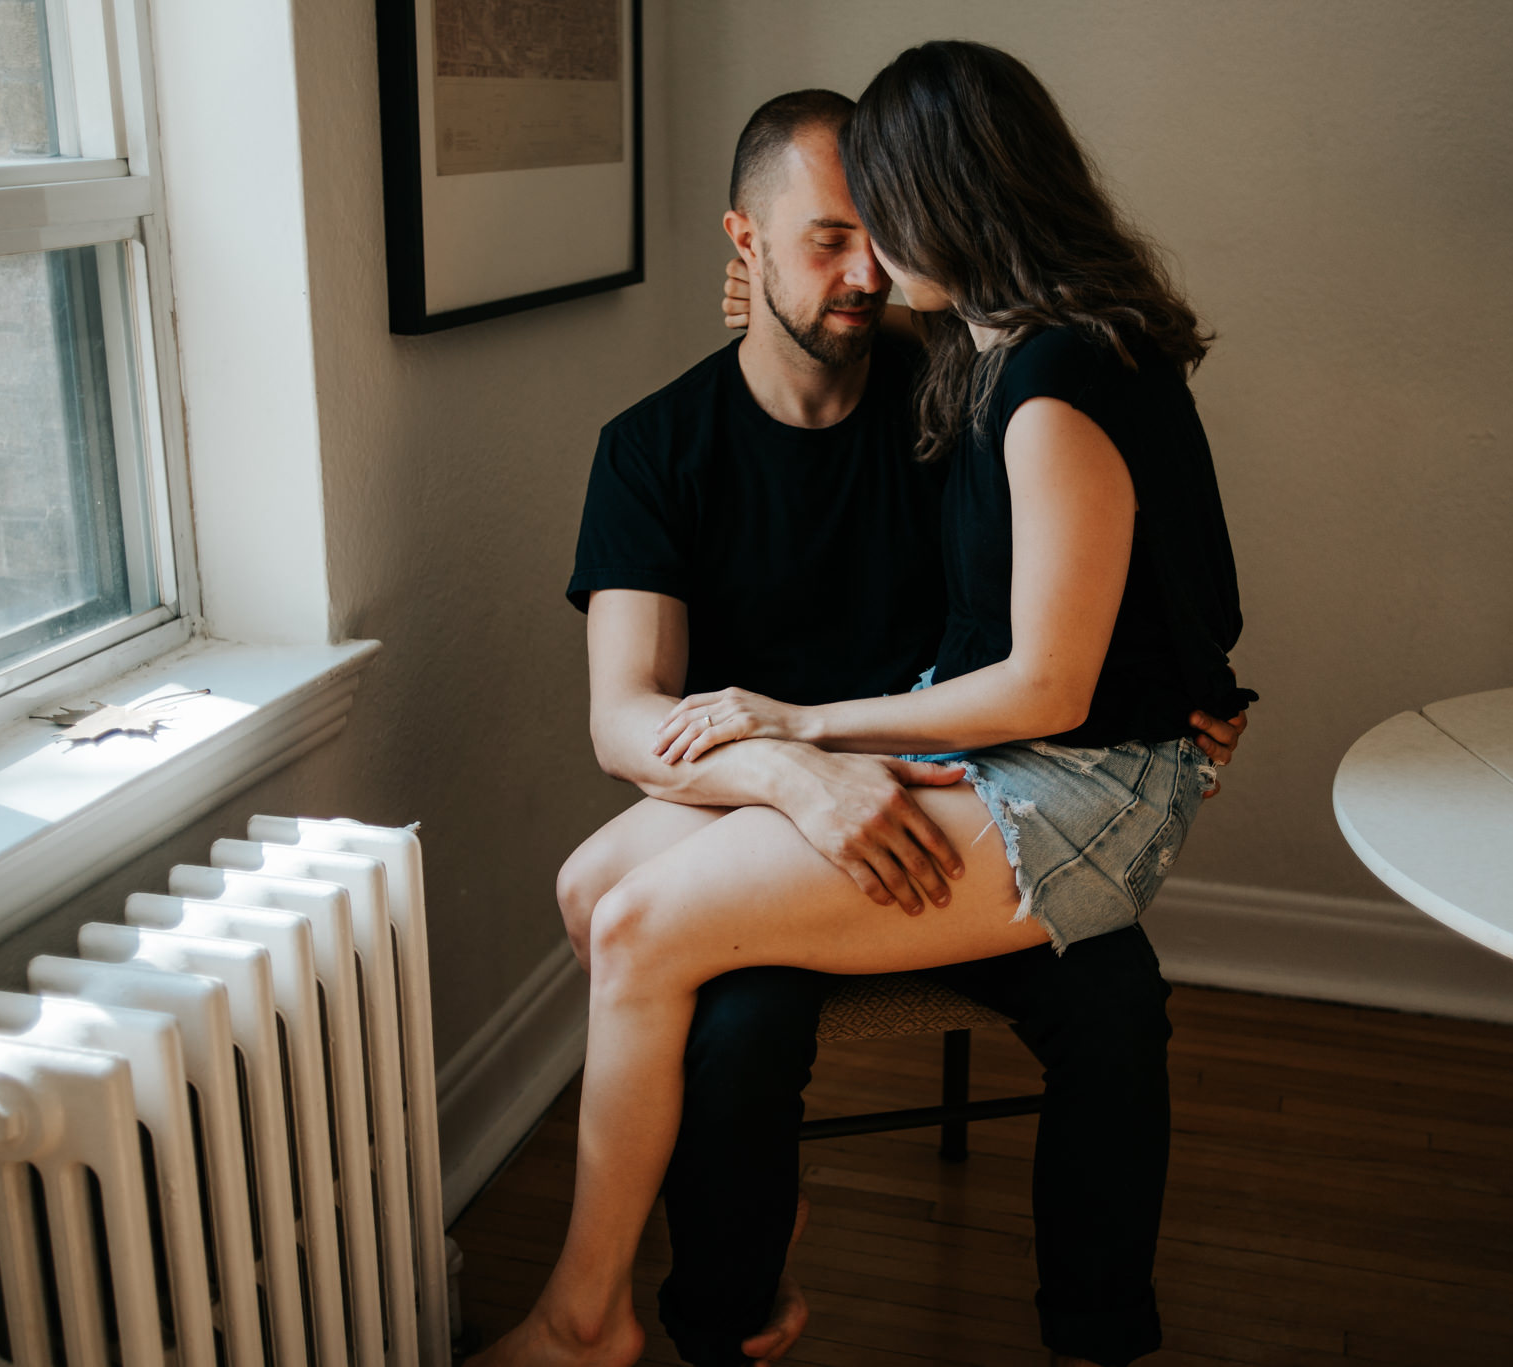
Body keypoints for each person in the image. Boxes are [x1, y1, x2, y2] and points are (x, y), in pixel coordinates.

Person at [504, 46, 1251, 1367]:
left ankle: (589, 1316)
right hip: (909, 769)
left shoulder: (967, 373)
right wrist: (796, 771)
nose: (863, 273)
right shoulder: (662, 449)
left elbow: (1096, 610)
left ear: (940, 212)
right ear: (749, 245)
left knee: (1105, 1002)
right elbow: (627, 723)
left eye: (880, 230)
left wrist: (1186, 684)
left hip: (997, 774)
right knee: (592, 887)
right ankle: (698, 1309)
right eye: (827, 240)